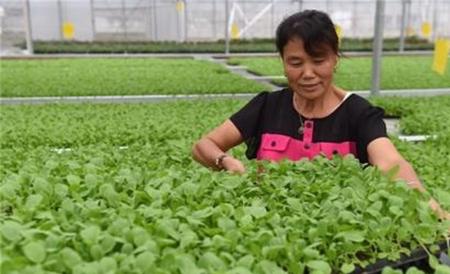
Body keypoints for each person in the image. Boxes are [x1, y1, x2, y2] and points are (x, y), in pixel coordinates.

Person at [192, 10, 449, 220]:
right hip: (267, 228)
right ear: (282, 61)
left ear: (335, 58)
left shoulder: (359, 113)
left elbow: (391, 163)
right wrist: (224, 161)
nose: (308, 73)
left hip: (339, 233)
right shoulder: (268, 106)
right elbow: (204, 145)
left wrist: (436, 214)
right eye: (295, 63)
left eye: (318, 60)